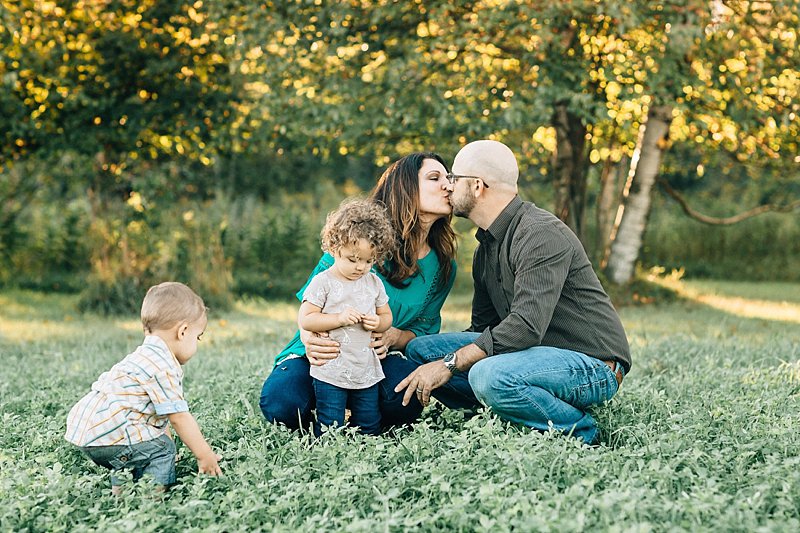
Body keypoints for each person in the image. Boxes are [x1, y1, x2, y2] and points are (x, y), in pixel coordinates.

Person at [396, 140, 631, 445]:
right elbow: (482, 330)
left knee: (487, 375)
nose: (448, 188)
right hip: (532, 355)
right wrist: (432, 354)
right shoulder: (486, 249)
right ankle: (509, 410)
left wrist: (449, 365)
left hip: (592, 364)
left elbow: (525, 327)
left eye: (454, 179)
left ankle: (581, 433)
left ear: (477, 186)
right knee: (423, 352)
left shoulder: (539, 233)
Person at [260, 152, 457, 432]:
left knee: (405, 399)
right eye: (435, 178)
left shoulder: (442, 265)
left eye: (449, 179)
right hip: (323, 352)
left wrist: (395, 336)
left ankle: (354, 409)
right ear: (405, 188)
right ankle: (329, 408)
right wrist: (310, 339)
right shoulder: (355, 243)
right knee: (283, 403)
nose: (448, 186)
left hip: (373, 359)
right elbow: (310, 307)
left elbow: (424, 328)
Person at [65, 282, 222, 494]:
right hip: (112, 436)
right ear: (183, 331)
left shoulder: (143, 356)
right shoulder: (163, 366)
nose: (197, 343)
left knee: (136, 450)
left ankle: (121, 496)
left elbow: (159, 417)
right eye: (198, 337)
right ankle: (152, 501)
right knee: (164, 450)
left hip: (91, 432)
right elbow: (179, 417)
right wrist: (205, 455)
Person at [298, 199, 395, 436]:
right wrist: (338, 318)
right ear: (334, 248)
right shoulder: (324, 282)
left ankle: (368, 450)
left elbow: (386, 316)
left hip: (365, 368)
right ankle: (331, 452)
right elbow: (307, 319)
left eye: (368, 260)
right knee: (330, 420)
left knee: (369, 421)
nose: (360, 267)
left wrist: (378, 323)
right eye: (353, 259)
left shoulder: (373, 282)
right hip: (331, 367)